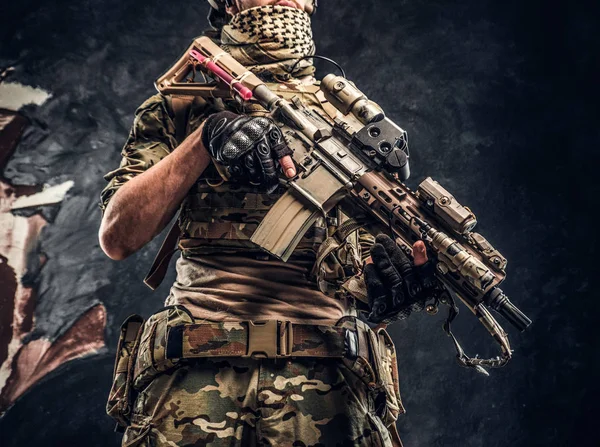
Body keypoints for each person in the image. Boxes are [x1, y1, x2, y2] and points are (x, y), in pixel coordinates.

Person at [99, 1, 438, 445]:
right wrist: (207, 137)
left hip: (327, 380)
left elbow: (369, 265)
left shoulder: (357, 123)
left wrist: (391, 285)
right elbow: (119, 236)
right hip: (194, 379)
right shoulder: (183, 103)